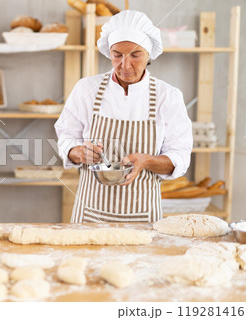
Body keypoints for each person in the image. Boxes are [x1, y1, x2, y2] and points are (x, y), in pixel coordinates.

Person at [55, 10, 192, 223]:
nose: (124, 65)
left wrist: (146, 161)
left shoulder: (169, 96)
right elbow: (66, 138)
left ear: (148, 55)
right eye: (117, 55)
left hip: (144, 221)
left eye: (135, 55)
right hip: (90, 217)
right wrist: (78, 152)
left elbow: (180, 157)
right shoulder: (86, 89)